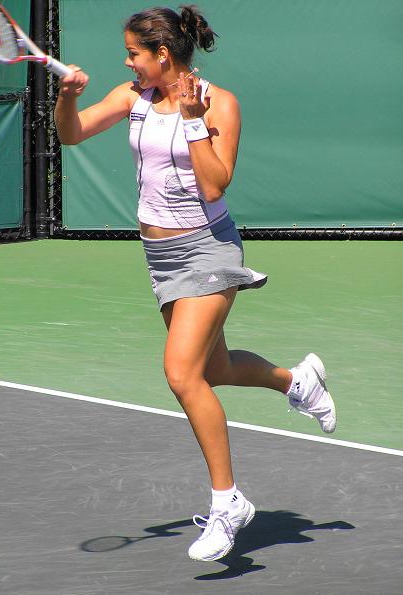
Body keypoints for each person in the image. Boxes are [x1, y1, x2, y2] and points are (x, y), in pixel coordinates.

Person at [55, 5, 336, 563]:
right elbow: (72, 135)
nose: (127, 61)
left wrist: (190, 120)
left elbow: (214, 185)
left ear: (163, 55)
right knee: (215, 369)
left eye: (134, 52)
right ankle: (295, 382)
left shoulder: (220, 103)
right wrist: (68, 96)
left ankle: (227, 502)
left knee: (180, 374)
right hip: (160, 255)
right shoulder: (131, 96)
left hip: (208, 248)